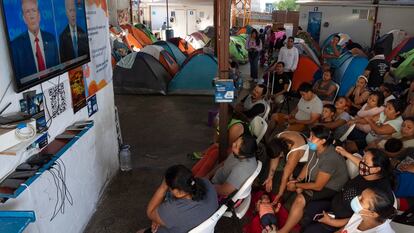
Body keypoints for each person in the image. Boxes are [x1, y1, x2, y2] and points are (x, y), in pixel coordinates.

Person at [302, 148, 395, 233]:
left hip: (341, 219)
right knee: (309, 211)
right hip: (334, 205)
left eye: (364, 162)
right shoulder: (368, 172)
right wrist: (345, 153)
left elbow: (359, 219)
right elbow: (362, 163)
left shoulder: (378, 192)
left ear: (376, 169)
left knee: (310, 230)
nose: (361, 163)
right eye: (362, 159)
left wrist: (333, 222)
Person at [276, 126, 349, 233]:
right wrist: (298, 180)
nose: (309, 139)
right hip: (318, 179)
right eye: (310, 135)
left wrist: (296, 185)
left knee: (300, 199)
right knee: (295, 185)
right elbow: (308, 165)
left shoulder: (330, 158)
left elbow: (318, 186)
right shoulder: (314, 147)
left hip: (331, 187)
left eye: (313, 137)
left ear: (323, 141)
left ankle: (283, 231)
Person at [139, 165, 218, 233]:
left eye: (169, 187)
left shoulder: (172, 211)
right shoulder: (207, 183)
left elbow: (150, 212)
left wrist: (163, 186)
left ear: (178, 192)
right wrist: (159, 217)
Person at [11, 0, 59, 80]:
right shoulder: (16, 46)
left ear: (39, 15)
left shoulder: (51, 39)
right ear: (24, 19)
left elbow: (57, 70)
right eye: (27, 12)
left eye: (34, 10)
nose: (32, 16)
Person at [264, 131, 310, 203]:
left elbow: (285, 176)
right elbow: (274, 158)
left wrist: (280, 194)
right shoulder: (277, 140)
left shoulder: (294, 153)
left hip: (306, 161)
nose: (280, 157)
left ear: (282, 152)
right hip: (299, 143)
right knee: (285, 173)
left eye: (280, 155)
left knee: (290, 184)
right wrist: (270, 177)